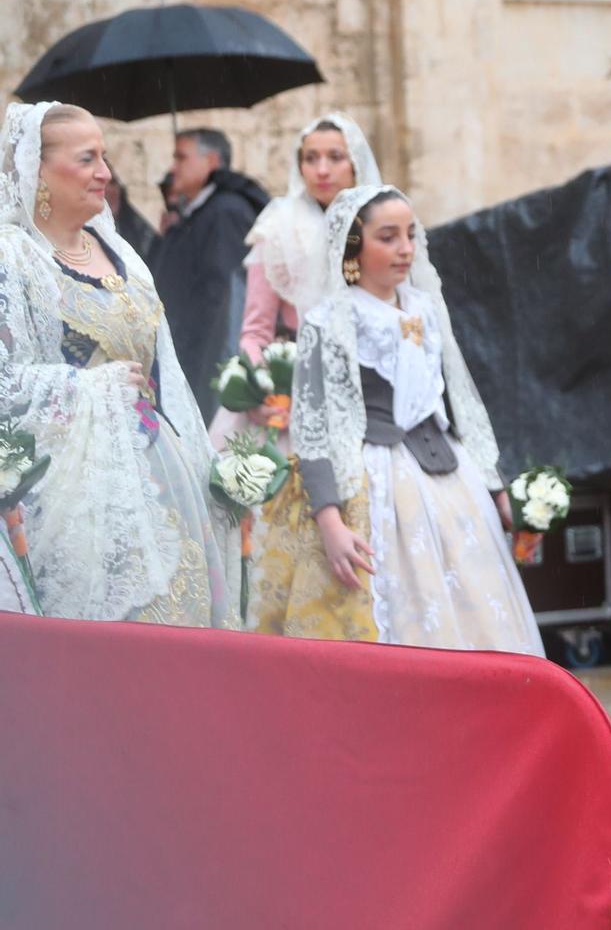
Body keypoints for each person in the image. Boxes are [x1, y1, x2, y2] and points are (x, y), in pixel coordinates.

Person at [0, 102, 236, 626]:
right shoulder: (12, 259)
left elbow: (164, 372)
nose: (105, 173)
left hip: (161, 470)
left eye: (103, 157)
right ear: (37, 168)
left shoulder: (121, 252)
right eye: (87, 159)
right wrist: (91, 388)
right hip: (75, 492)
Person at [281, 185, 542, 654]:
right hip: (379, 483)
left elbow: (460, 406)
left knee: (478, 608)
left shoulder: (426, 308)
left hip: (450, 479)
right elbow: (313, 428)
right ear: (355, 248)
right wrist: (331, 521)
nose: (405, 249)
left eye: (410, 235)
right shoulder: (329, 321)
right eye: (388, 237)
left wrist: (498, 490)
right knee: (405, 614)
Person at [212, 113, 384, 452]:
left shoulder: (380, 225)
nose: (322, 170)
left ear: (355, 164)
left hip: (370, 392)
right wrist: (266, 389)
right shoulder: (278, 227)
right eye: (310, 158)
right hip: (295, 391)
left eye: (335, 157)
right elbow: (255, 331)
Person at [148, 127, 268, 422]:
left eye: (181, 157)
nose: (173, 168)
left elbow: (225, 296)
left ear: (211, 160)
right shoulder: (199, 212)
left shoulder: (226, 212)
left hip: (208, 355)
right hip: (189, 347)